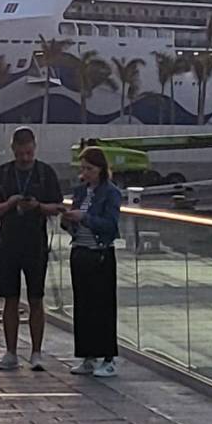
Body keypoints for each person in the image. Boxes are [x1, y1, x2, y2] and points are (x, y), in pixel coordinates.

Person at [0, 126, 63, 371]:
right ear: (13, 150)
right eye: (20, 154)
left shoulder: (45, 173)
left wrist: (38, 206)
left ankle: (36, 352)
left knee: (36, 298)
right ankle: (10, 352)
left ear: (34, 148)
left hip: (35, 242)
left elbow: (57, 207)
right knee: (10, 298)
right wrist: (10, 203)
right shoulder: (3, 174)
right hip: (8, 242)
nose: (25, 158)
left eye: (29, 153)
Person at [62, 145, 124, 377]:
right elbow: (74, 221)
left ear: (100, 169)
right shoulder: (80, 191)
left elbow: (110, 225)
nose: (85, 173)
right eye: (83, 169)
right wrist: (68, 220)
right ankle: (88, 355)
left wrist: (85, 218)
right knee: (83, 306)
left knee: (103, 307)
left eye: (89, 169)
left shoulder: (110, 193)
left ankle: (108, 357)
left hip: (100, 253)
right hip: (80, 250)